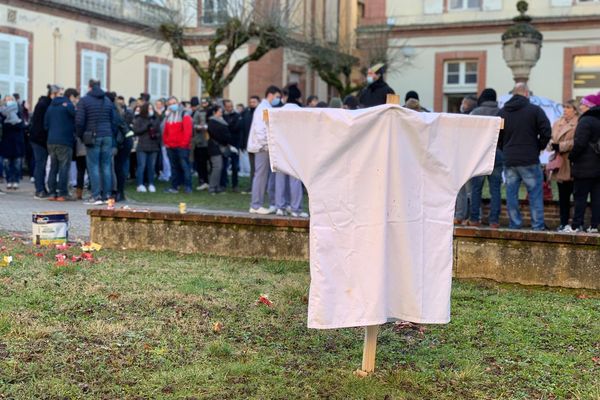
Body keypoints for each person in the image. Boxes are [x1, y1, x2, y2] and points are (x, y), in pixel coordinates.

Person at [498, 83, 551, 230]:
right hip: (529, 158)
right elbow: (546, 130)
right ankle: (537, 226)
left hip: (509, 159)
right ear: (527, 93)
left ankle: (514, 224)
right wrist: (538, 146)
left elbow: (496, 135)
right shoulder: (535, 111)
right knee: (534, 194)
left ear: (513, 94)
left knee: (511, 194)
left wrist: (505, 148)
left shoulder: (502, 112)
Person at [75, 79, 116, 205]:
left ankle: (96, 196)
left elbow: (79, 121)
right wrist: (111, 133)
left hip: (92, 136)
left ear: (89, 87)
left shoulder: (84, 100)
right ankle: (107, 195)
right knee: (106, 166)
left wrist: (81, 135)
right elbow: (114, 120)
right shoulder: (107, 101)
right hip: (107, 135)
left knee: (93, 166)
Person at [467, 88, 503, 228]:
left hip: (479, 154)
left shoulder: (475, 113)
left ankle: (474, 219)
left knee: (476, 189)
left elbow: (468, 135)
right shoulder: (500, 112)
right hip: (497, 153)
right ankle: (494, 221)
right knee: (496, 190)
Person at [275, 84, 309, 217]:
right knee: (295, 180)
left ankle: (280, 207)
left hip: (280, 148)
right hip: (295, 148)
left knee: (280, 179)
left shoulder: (278, 111)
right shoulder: (301, 111)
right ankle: (295, 208)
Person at [247, 85, 281, 214]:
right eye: (277, 96)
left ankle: (257, 204)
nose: (278, 99)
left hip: (262, 146)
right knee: (260, 176)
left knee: (261, 175)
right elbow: (261, 129)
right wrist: (266, 144)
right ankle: (256, 205)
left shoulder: (265, 107)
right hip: (262, 147)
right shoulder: (264, 108)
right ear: (271, 95)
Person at [569, 93, 600, 233]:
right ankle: (595, 226)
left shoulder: (586, 121)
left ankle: (576, 225)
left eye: (583, 104)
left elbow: (579, 144)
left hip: (584, 167)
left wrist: (572, 157)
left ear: (589, 106)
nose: (580, 107)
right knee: (597, 198)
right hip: (598, 167)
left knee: (580, 197)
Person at [547, 100, 579, 232]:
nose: (565, 110)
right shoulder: (557, 122)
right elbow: (551, 138)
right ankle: (563, 222)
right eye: (564, 107)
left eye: (568, 107)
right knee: (562, 196)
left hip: (572, 162)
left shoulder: (578, 123)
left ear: (575, 110)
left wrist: (561, 146)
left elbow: (577, 141)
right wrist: (551, 145)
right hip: (559, 162)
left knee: (576, 195)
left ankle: (576, 223)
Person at [44, 88, 78, 201]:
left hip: (51, 141)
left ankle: (52, 193)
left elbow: (46, 125)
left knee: (53, 167)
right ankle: (63, 193)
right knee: (64, 167)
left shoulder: (50, 107)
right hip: (65, 141)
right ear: (71, 97)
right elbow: (76, 119)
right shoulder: (68, 105)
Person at [30, 85, 61, 198]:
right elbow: (41, 125)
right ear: (53, 94)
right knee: (40, 164)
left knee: (42, 164)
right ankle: (39, 189)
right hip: (39, 140)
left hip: (41, 139)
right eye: (59, 94)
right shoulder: (44, 105)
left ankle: (42, 188)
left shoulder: (46, 104)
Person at [454, 94, 478, 225]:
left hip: (463, 158)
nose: (461, 105)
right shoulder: (475, 119)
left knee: (464, 190)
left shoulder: (464, 119)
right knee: (469, 191)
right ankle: (467, 217)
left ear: (466, 105)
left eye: (463, 103)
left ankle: (462, 216)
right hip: (471, 158)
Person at [163, 96, 193, 194]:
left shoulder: (184, 114)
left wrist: (183, 144)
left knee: (185, 166)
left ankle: (188, 187)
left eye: (174, 103)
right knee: (174, 167)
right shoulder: (168, 115)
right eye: (170, 104)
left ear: (178, 103)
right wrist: (166, 142)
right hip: (170, 146)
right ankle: (174, 187)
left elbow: (187, 131)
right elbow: (165, 131)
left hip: (182, 146)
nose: (172, 105)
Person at [133, 102, 161, 193]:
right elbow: (136, 131)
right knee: (142, 166)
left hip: (153, 146)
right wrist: (146, 127)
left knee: (151, 167)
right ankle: (140, 184)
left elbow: (159, 131)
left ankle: (151, 184)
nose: (151, 110)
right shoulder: (139, 119)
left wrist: (156, 135)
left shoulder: (155, 119)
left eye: (151, 108)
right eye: (149, 109)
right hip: (142, 146)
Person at [0, 95, 25, 190]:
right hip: (6, 141)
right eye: (7, 100)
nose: (9, 101)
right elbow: (4, 126)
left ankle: (16, 181)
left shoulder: (19, 111)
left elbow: (21, 125)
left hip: (17, 141)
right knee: (7, 163)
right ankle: (9, 180)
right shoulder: (3, 112)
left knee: (17, 163)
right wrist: (13, 124)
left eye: (11, 99)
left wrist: (11, 124)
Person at [207, 105, 231, 194]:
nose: (221, 113)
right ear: (214, 112)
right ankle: (212, 187)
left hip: (220, 147)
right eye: (220, 111)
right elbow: (217, 135)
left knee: (219, 168)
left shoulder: (221, 121)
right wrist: (225, 140)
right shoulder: (212, 122)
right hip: (215, 147)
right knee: (217, 167)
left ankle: (216, 186)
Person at [222, 99, 242, 192]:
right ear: (225, 107)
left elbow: (236, 128)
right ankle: (223, 184)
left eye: (231, 106)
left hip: (235, 144)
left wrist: (227, 126)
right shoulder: (222, 115)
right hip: (225, 143)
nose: (230, 108)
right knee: (224, 165)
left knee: (235, 166)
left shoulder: (237, 116)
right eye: (228, 106)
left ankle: (235, 185)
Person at [241, 95, 259, 191]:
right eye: (251, 102)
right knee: (253, 167)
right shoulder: (246, 114)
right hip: (250, 144)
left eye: (254, 102)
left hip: (259, 145)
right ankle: (252, 186)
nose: (252, 104)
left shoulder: (261, 113)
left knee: (259, 168)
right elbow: (244, 130)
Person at [191, 97, 209, 191]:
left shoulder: (200, 112)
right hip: (198, 141)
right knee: (200, 163)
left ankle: (204, 181)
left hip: (202, 142)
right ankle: (203, 181)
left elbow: (202, 125)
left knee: (202, 163)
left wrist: (195, 126)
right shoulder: (197, 112)